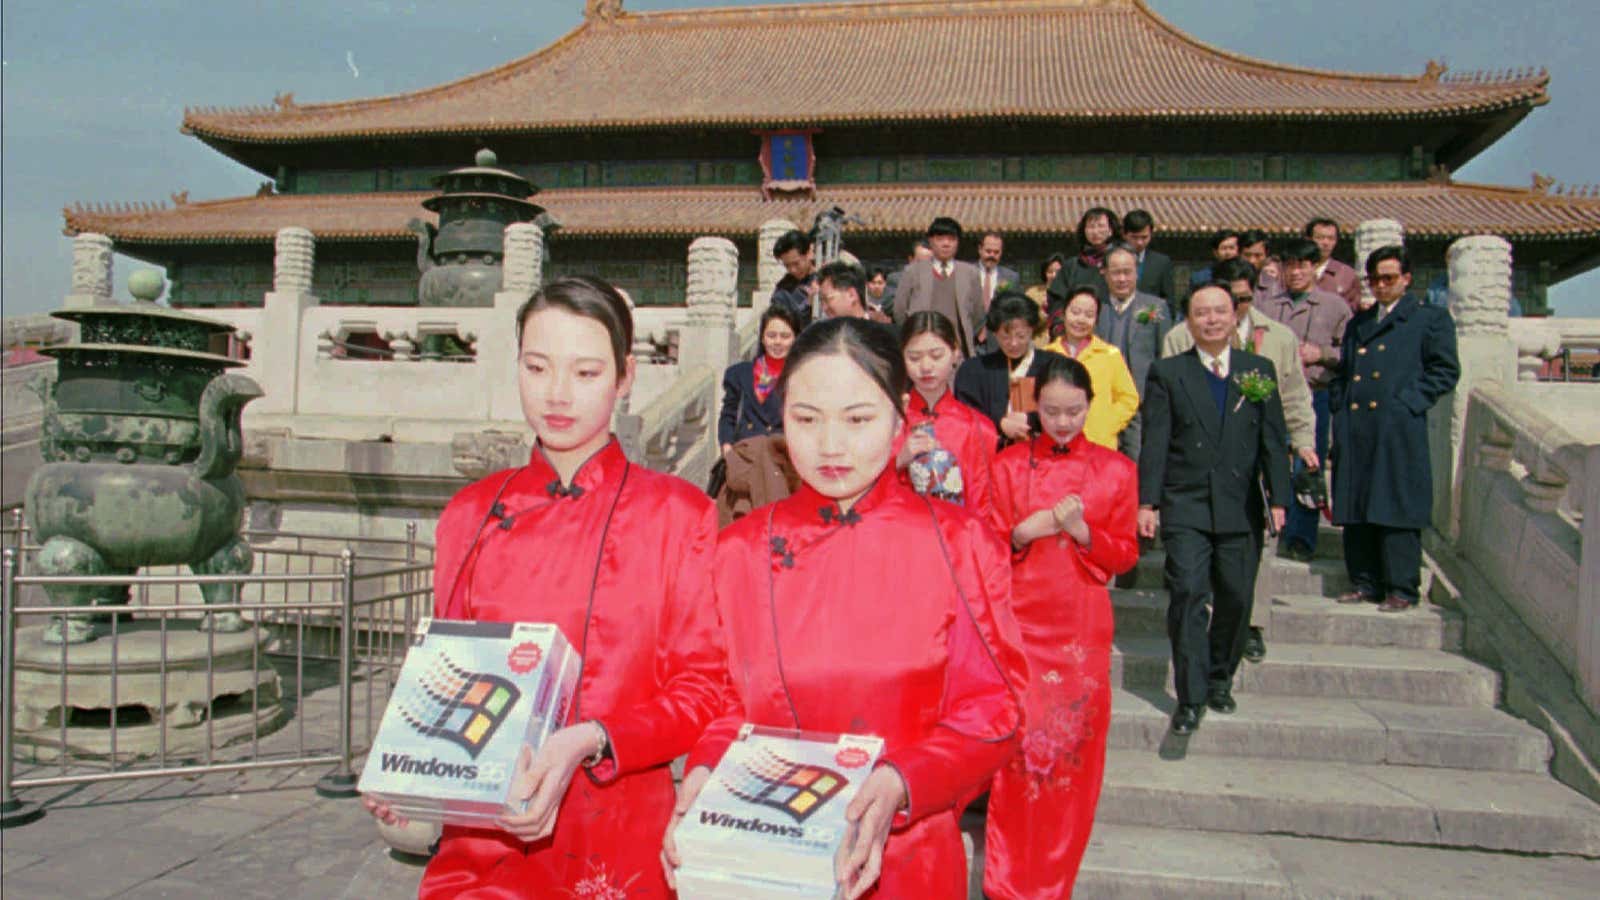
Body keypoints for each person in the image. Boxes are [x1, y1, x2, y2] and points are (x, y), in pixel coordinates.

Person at [365, 276, 732, 898]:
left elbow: (704, 688)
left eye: (586, 374)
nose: (557, 395)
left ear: (624, 377)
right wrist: (413, 768)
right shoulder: (470, 514)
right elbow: (447, 677)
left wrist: (593, 737)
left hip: (618, 834)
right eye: (537, 368)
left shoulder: (677, 513)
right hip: (485, 844)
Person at [663, 317, 1028, 900]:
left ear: (899, 417)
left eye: (858, 419)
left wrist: (903, 782)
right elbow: (727, 699)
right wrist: (705, 769)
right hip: (760, 853)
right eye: (807, 419)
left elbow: (996, 710)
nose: (831, 445)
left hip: (906, 856)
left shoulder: (958, 543)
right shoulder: (738, 549)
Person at [983, 355, 1138, 899]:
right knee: (1021, 756)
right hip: (1021, 627)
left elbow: (1124, 555)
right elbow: (985, 547)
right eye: (1052, 411)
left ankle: (1053, 885)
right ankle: (1007, 883)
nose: (1064, 421)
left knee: (1070, 758)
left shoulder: (1116, 471)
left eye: (1074, 411)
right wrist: (1021, 534)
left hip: (1079, 630)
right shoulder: (1005, 467)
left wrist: (1082, 531)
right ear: (1034, 408)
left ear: (1091, 408)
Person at [1138, 283, 1291, 734]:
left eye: (1219, 311)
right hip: (1186, 503)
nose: (1211, 319)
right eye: (1201, 312)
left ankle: (1220, 676)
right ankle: (1190, 696)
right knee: (1187, 592)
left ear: (1234, 316)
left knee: (1237, 595)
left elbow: (1273, 441)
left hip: (1239, 505)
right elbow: (1157, 442)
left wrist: (1278, 497)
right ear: (1188, 320)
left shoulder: (1256, 370)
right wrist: (1148, 501)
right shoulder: (1168, 373)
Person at [1165, 258, 1317, 663]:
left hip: (1249, 474)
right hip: (1197, 478)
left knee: (1247, 573)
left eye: (1243, 299)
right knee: (1194, 580)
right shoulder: (1182, 337)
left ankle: (1250, 627)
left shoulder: (1278, 339)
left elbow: (1293, 398)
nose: (1217, 316)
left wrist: (1303, 442)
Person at [1330, 246, 1460, 611]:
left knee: (1395, 503)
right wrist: (1340, 409)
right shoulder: (1360, 323)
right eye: (1374, 279)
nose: (1381, 285)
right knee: (1357, 502)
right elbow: (1344, 372)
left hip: (1397, 427)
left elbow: (1445, 370)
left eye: (1389, 278)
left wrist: (1407, 404)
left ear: (1406, 278)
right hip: (1357, 426)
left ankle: (1402, 586)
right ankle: (1364, 580)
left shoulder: (1428, 319)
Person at [1262, 237, 1352, 562]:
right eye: (1290, 265)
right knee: (1270, 461)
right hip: (1273, 396)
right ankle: (1270, 526)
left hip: (1316, 395)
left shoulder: (1335, 306)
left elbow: (1352, 352)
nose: (1296, 271)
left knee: (1307, 467)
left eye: (1302, 265)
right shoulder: (1268, 306)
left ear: (1315, 267)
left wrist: (1323, 354)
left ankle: (1302, 538)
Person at [899, 311, 998, 515]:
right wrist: (898, 460)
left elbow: (983, 506)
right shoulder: (889, 421)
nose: (926, 366)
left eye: (936, 355)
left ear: (955, 353)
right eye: (914, 357)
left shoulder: (978, 427)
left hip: (958, 538)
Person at [955, 291, 1067, 448]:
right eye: (1005, 337)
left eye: (1021, 336)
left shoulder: (1054, 366)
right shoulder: (974, 370)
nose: (1013, 343)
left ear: (1032, 329)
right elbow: (965, 413)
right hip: (992, 456)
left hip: (1041, 457)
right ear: (994, 333)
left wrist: (1031, 419)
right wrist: (999, 422)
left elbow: (1066, 408)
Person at [1095, 242, 1168, 460]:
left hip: (1141, 400)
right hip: (1103, 402)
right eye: (1115, 272)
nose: (1122, 279)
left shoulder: (1156, 307)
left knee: (1138, 461)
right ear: (1104, 273)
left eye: (1127, 272)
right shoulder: (1095, 308)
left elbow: (1163, 354)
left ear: (1137, 272)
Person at [1044, 286, 1139, 452]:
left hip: (1099, 445)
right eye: (1075, 312)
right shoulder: (1047, 354)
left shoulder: (1110, 354)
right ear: (1064, 313)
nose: (1081, 320)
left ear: (1096, 320)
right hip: (1056, 444)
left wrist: (1108, 424)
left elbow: (1129, 398)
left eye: (1089, 315)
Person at [893, 217, 986, 358]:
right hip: (922, 348)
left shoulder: (970, 273)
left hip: (958, 351)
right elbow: (899, 311)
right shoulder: (913, 272)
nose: (946, 244)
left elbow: (978, 314)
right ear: (930, 241)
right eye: (940, 239)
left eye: (951, 239)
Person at [718, 304, 801, 454]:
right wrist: (727, 446)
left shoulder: (803, 376)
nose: (777, 342)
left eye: (785, 336)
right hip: (746, 456)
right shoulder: (740, 374)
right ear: (762, 338)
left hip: (784, 457)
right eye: (771, 335)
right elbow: (728, 415)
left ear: (795, 339)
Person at [1046, 207, 1121, 322]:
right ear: (1084, 230)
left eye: (1100, 226)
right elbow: (1057, 300)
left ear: (1111, 230)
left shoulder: (1121, 262)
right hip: (1077, 327)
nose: (1095, 231)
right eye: (1091, 226)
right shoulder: (1071, 266)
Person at [1305, 217, 1362, 312]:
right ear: (1308, 239)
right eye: (1320, 238)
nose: (1326, 243)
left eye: (1331, 238)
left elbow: (1352, 309)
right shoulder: (1293, 271)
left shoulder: (1347, 274)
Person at [1122, 208, 1176, 307]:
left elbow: (1169, 302)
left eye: (1144, 237)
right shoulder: (1110, 259)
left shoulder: (1161, 263)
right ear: (1124, 235)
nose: (1139, 242)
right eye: (1134, 237)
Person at [817, 261, 893, 325]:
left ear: (851, 295)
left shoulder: (886, 335)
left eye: (828, 299)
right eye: (821, 301)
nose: (824, 308)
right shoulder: (821, 338)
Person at [769, 229, 817, 329]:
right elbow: (784, 327)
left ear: (809, 253)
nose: (792, 270)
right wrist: (808, 305)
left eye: (796, 263)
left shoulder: (826, 277)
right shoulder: (782, 292)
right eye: (787, 266)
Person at [1026, 253, 1067, 349]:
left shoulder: (1070, 295)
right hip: (1038, 345)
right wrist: (1041, 312)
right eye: (1050, 271)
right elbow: (1024, 322)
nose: (1054, 275)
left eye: (1058, 272)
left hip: (1062, 346)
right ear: (1044, 273)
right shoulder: (1033, 293)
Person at [1186, 229, 1241, 298]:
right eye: (1224, 248)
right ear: (1215, 252)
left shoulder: (1245, 275)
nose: (1228, 252)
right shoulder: (1200, 278)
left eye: (1231, 248)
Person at [976, 231, 1020, 307]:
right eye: (988, 251)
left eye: (996, 252)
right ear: (980, 249)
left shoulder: (1011, 277)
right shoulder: (966, 273)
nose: (992, 255)